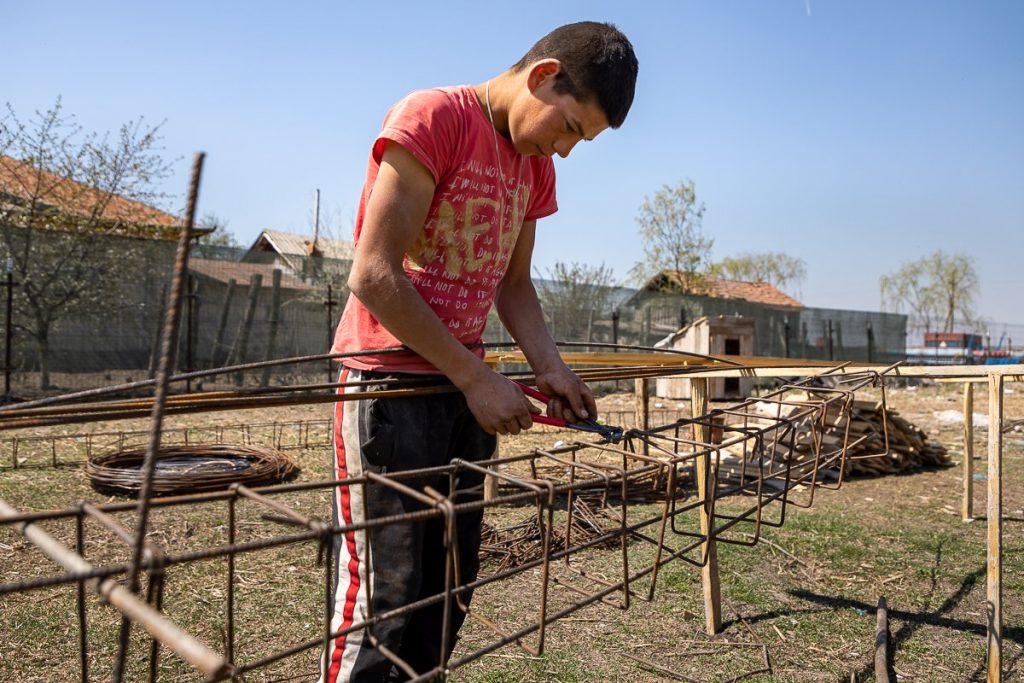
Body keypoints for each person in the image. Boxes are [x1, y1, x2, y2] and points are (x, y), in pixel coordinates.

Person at [321, 21, 638, 683]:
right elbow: (374, 274)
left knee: (448, 589)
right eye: (573, 127)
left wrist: (550, 368)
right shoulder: (433, 117)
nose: (568, 149)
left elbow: (513, 284)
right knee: (387, 595)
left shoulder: (535, 166)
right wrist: (475, 377)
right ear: (543, 76)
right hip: (390, 389)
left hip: (460, 393)